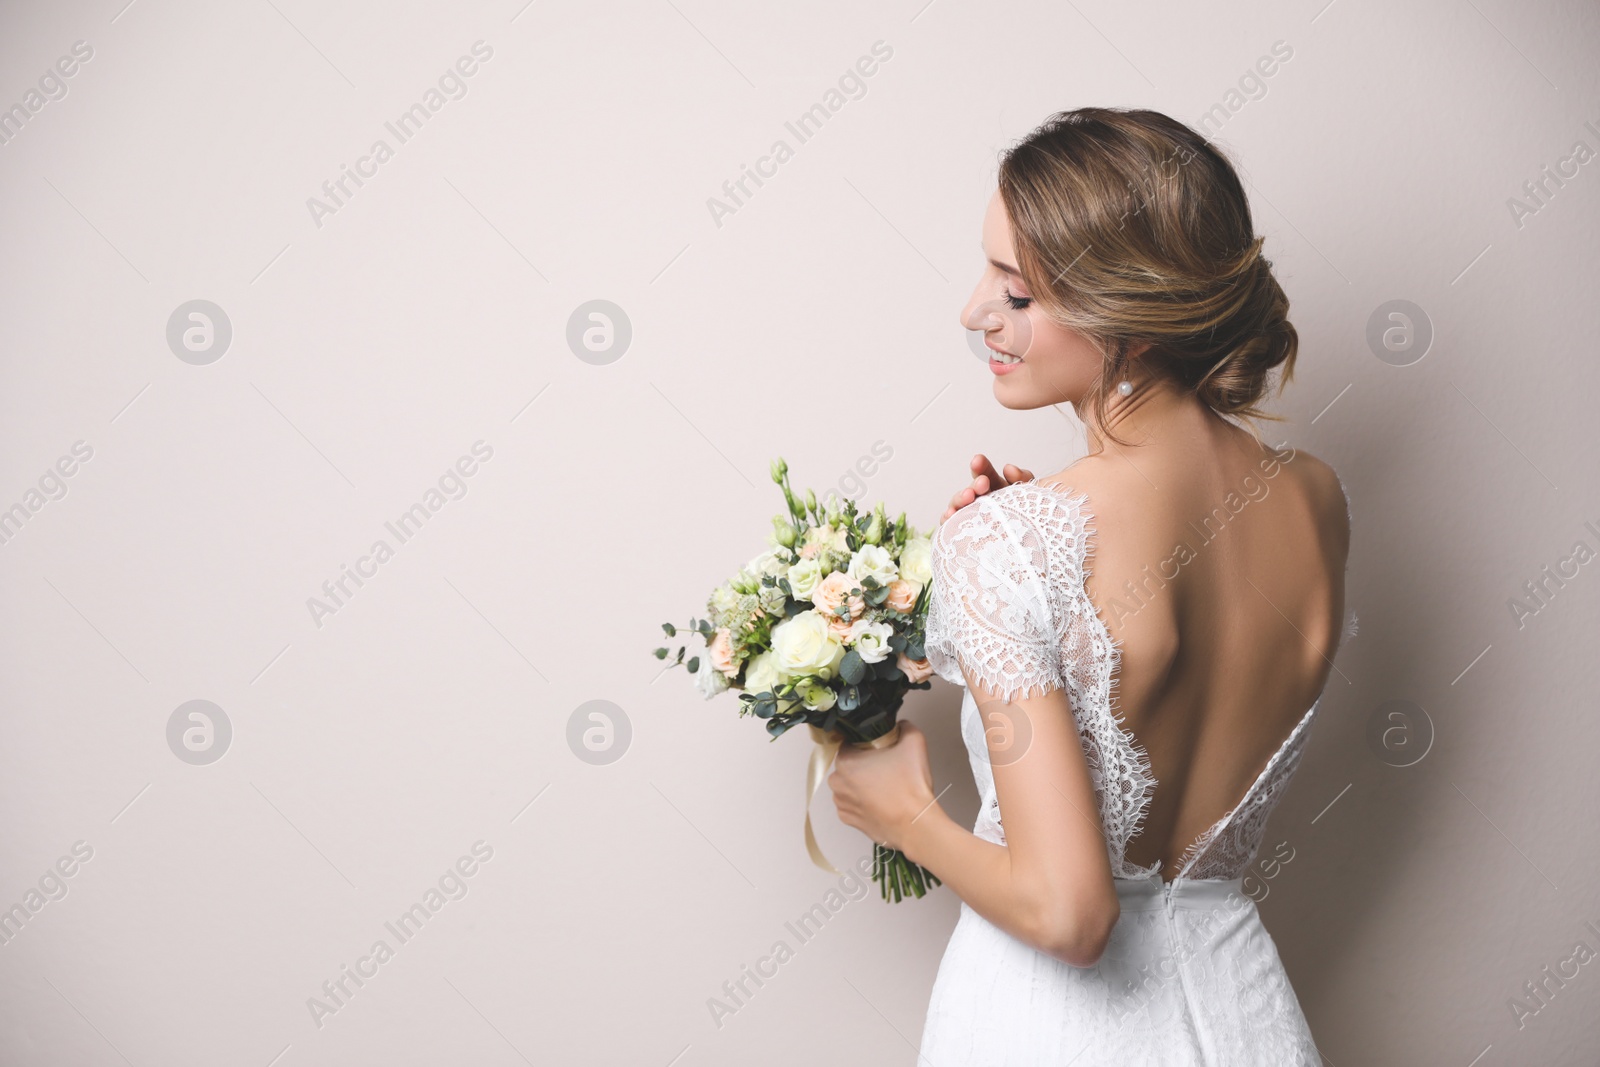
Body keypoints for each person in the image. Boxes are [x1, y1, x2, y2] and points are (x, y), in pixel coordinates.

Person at [827, 107, 1350, 1065]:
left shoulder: (1010, 541)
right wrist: (1028, 553)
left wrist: (901, 812)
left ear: (1134, 317)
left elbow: (1072, 913)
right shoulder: (1315, 499)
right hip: (1246, 1022)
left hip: (1048, 1031)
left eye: (1017, 292)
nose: (974, 311)